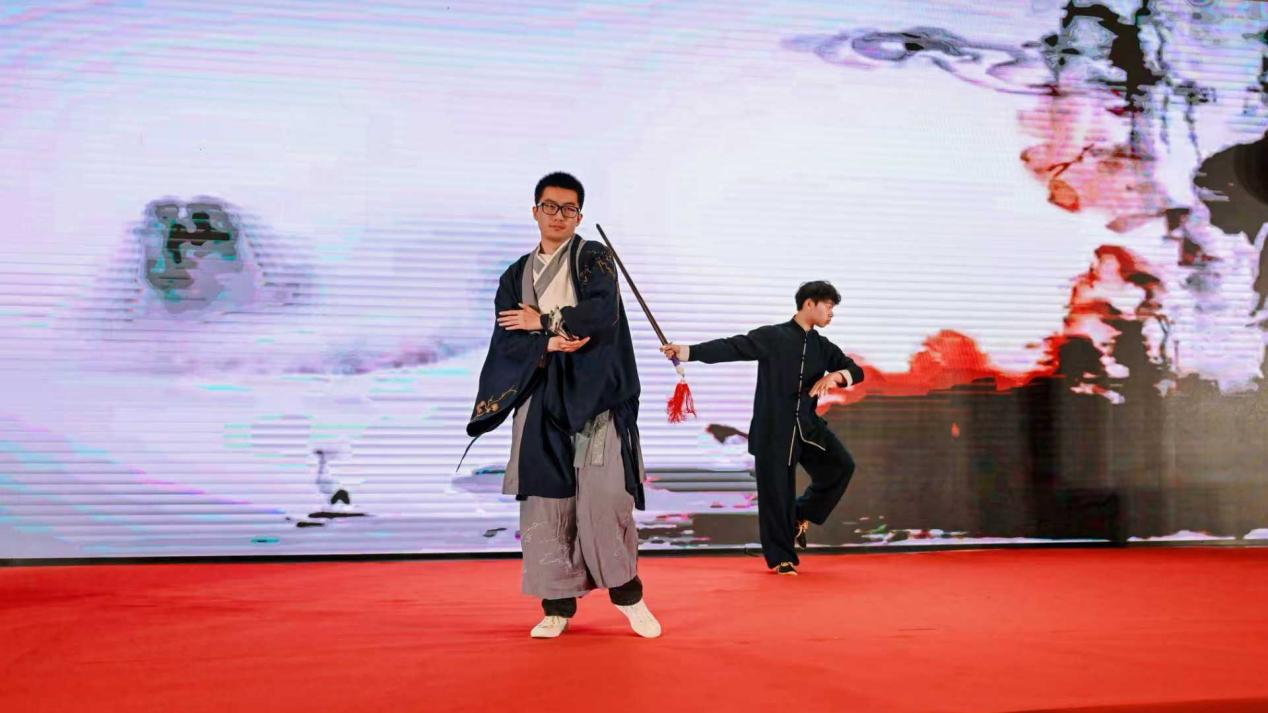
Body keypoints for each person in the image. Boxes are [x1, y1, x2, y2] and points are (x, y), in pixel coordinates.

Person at [467, 171, 660, 638]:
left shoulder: (593, 257)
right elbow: (506, 337)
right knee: (546, 503)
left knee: (605, 497)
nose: (559, 216)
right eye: (550, 207)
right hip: (540, 398)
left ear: (579, 216)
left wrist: (545, 321)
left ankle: (628, 595)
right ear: (535, 211)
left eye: (569, 209)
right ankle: (556, 605)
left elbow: (601, 312)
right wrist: (549, 343)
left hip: (596, 396)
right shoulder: (515, 275)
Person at [661, 281, 864, 575]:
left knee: (841, 466)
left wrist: (835, 376)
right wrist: (686, 351)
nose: (831, 313)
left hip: (808, 429)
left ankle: (799, 514)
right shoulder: (773, 336)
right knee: (776, 494)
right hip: (773, 431)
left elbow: (856, 371)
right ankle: (782, 558)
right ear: (809, 303)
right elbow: (731, 346)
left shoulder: (823, 347)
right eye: (828, 306)